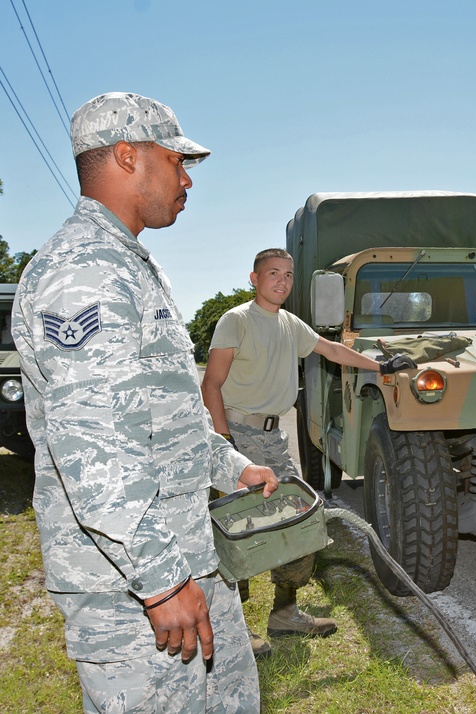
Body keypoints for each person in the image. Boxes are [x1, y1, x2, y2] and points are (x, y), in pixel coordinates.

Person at [12, 92, 279, 713]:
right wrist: (160, 581)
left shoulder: (129, 266)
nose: (187, 179)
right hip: (134, 591)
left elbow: (164, 417)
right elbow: (94, 450)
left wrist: (231, 465)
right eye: (176, 161)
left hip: (191, 563)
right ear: (128, 157)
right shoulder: (86, 273)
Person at [200, 247, 416, 658]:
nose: (281, 281)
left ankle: (284, 612)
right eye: (272, 273)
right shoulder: (237, 320)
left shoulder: (289, 324)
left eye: (288, 274)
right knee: (235, 532)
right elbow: (211, 384)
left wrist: (380, 367)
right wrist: (225, 444)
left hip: (272, 439)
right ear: (254, 278)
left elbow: (333, 350)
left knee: (300, 522)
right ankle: (232, 628)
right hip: (237, 435)